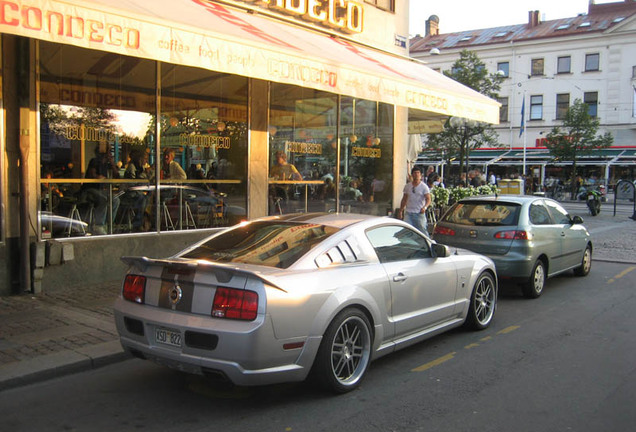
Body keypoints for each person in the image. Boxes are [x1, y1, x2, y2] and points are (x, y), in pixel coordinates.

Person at [81, 140, 120, 235]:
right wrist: (100, 177)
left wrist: (112, 163)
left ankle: (109, 223)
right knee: (103, 199)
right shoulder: (94, 161)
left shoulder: (107, 165)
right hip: (90, 190)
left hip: (102, 190)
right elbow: (93, 175)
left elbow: (117, 176)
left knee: (115, 199)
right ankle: (99, 224)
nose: (108, 154)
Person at [399, 167, 432, 234]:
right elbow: (404, 199)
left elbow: (428, 199)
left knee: (422, 231)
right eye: (415, 173)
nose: (416, 175)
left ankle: (426, 243)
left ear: (420, 175)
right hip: (409, 212)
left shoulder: (424, 187)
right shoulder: (407, 186)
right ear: (412, 175)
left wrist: (425, 207)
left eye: (418, 173)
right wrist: (400, 210)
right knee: (406, 231)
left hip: (419, 213)